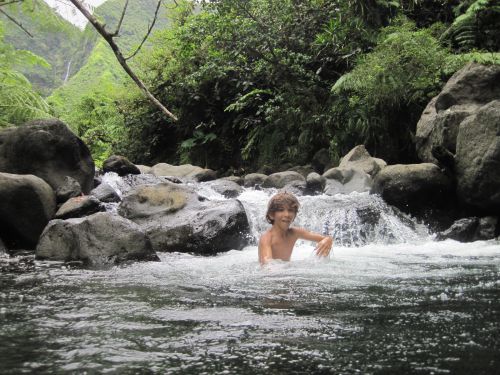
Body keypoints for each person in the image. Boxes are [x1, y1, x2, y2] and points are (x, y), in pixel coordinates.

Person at [258, 192, 333, 265]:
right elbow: (268, 266)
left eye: (290, 210)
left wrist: (328, 240)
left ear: (295, 215)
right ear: (271, 215)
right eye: (281, 210)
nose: (286, 214)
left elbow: (325, 238)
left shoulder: (294, 233)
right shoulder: (266, 238)